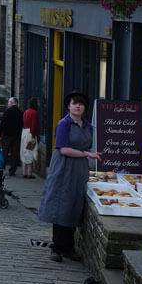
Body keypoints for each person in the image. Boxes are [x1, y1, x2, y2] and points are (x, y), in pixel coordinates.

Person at [38, 91, 101, 263]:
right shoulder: (63, 124)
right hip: (63, 168)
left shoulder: (88, 126)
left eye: (81, 104)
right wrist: (88, 154)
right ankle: (57, 247)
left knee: (74, 204)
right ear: (68, 106)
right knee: (61, 205)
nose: (78, 106)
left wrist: (89, 155)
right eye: (74, 103)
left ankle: (69, 247)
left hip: (79, 169)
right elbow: (64, 149)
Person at [0, 97, 24, 176]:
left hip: (7, 135)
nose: (8, 104)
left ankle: (1, 168)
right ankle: (12, 170)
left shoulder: (8, 111)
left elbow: (2, 123)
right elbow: (22, 124)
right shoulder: (20, 112)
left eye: (9, 102)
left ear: (12, 103)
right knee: (15, 153)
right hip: (17, 136)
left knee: (4, 153)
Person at [21, 97, 40, 179]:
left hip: (24, 132)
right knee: (30, 151)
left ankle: (24, 172)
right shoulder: (34, 113)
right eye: (38, 102)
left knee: (24, 151)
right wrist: (33, 136)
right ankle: (29, 173)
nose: (39, 104)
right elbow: (34, 125)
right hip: (30, 133)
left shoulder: (26, 112)